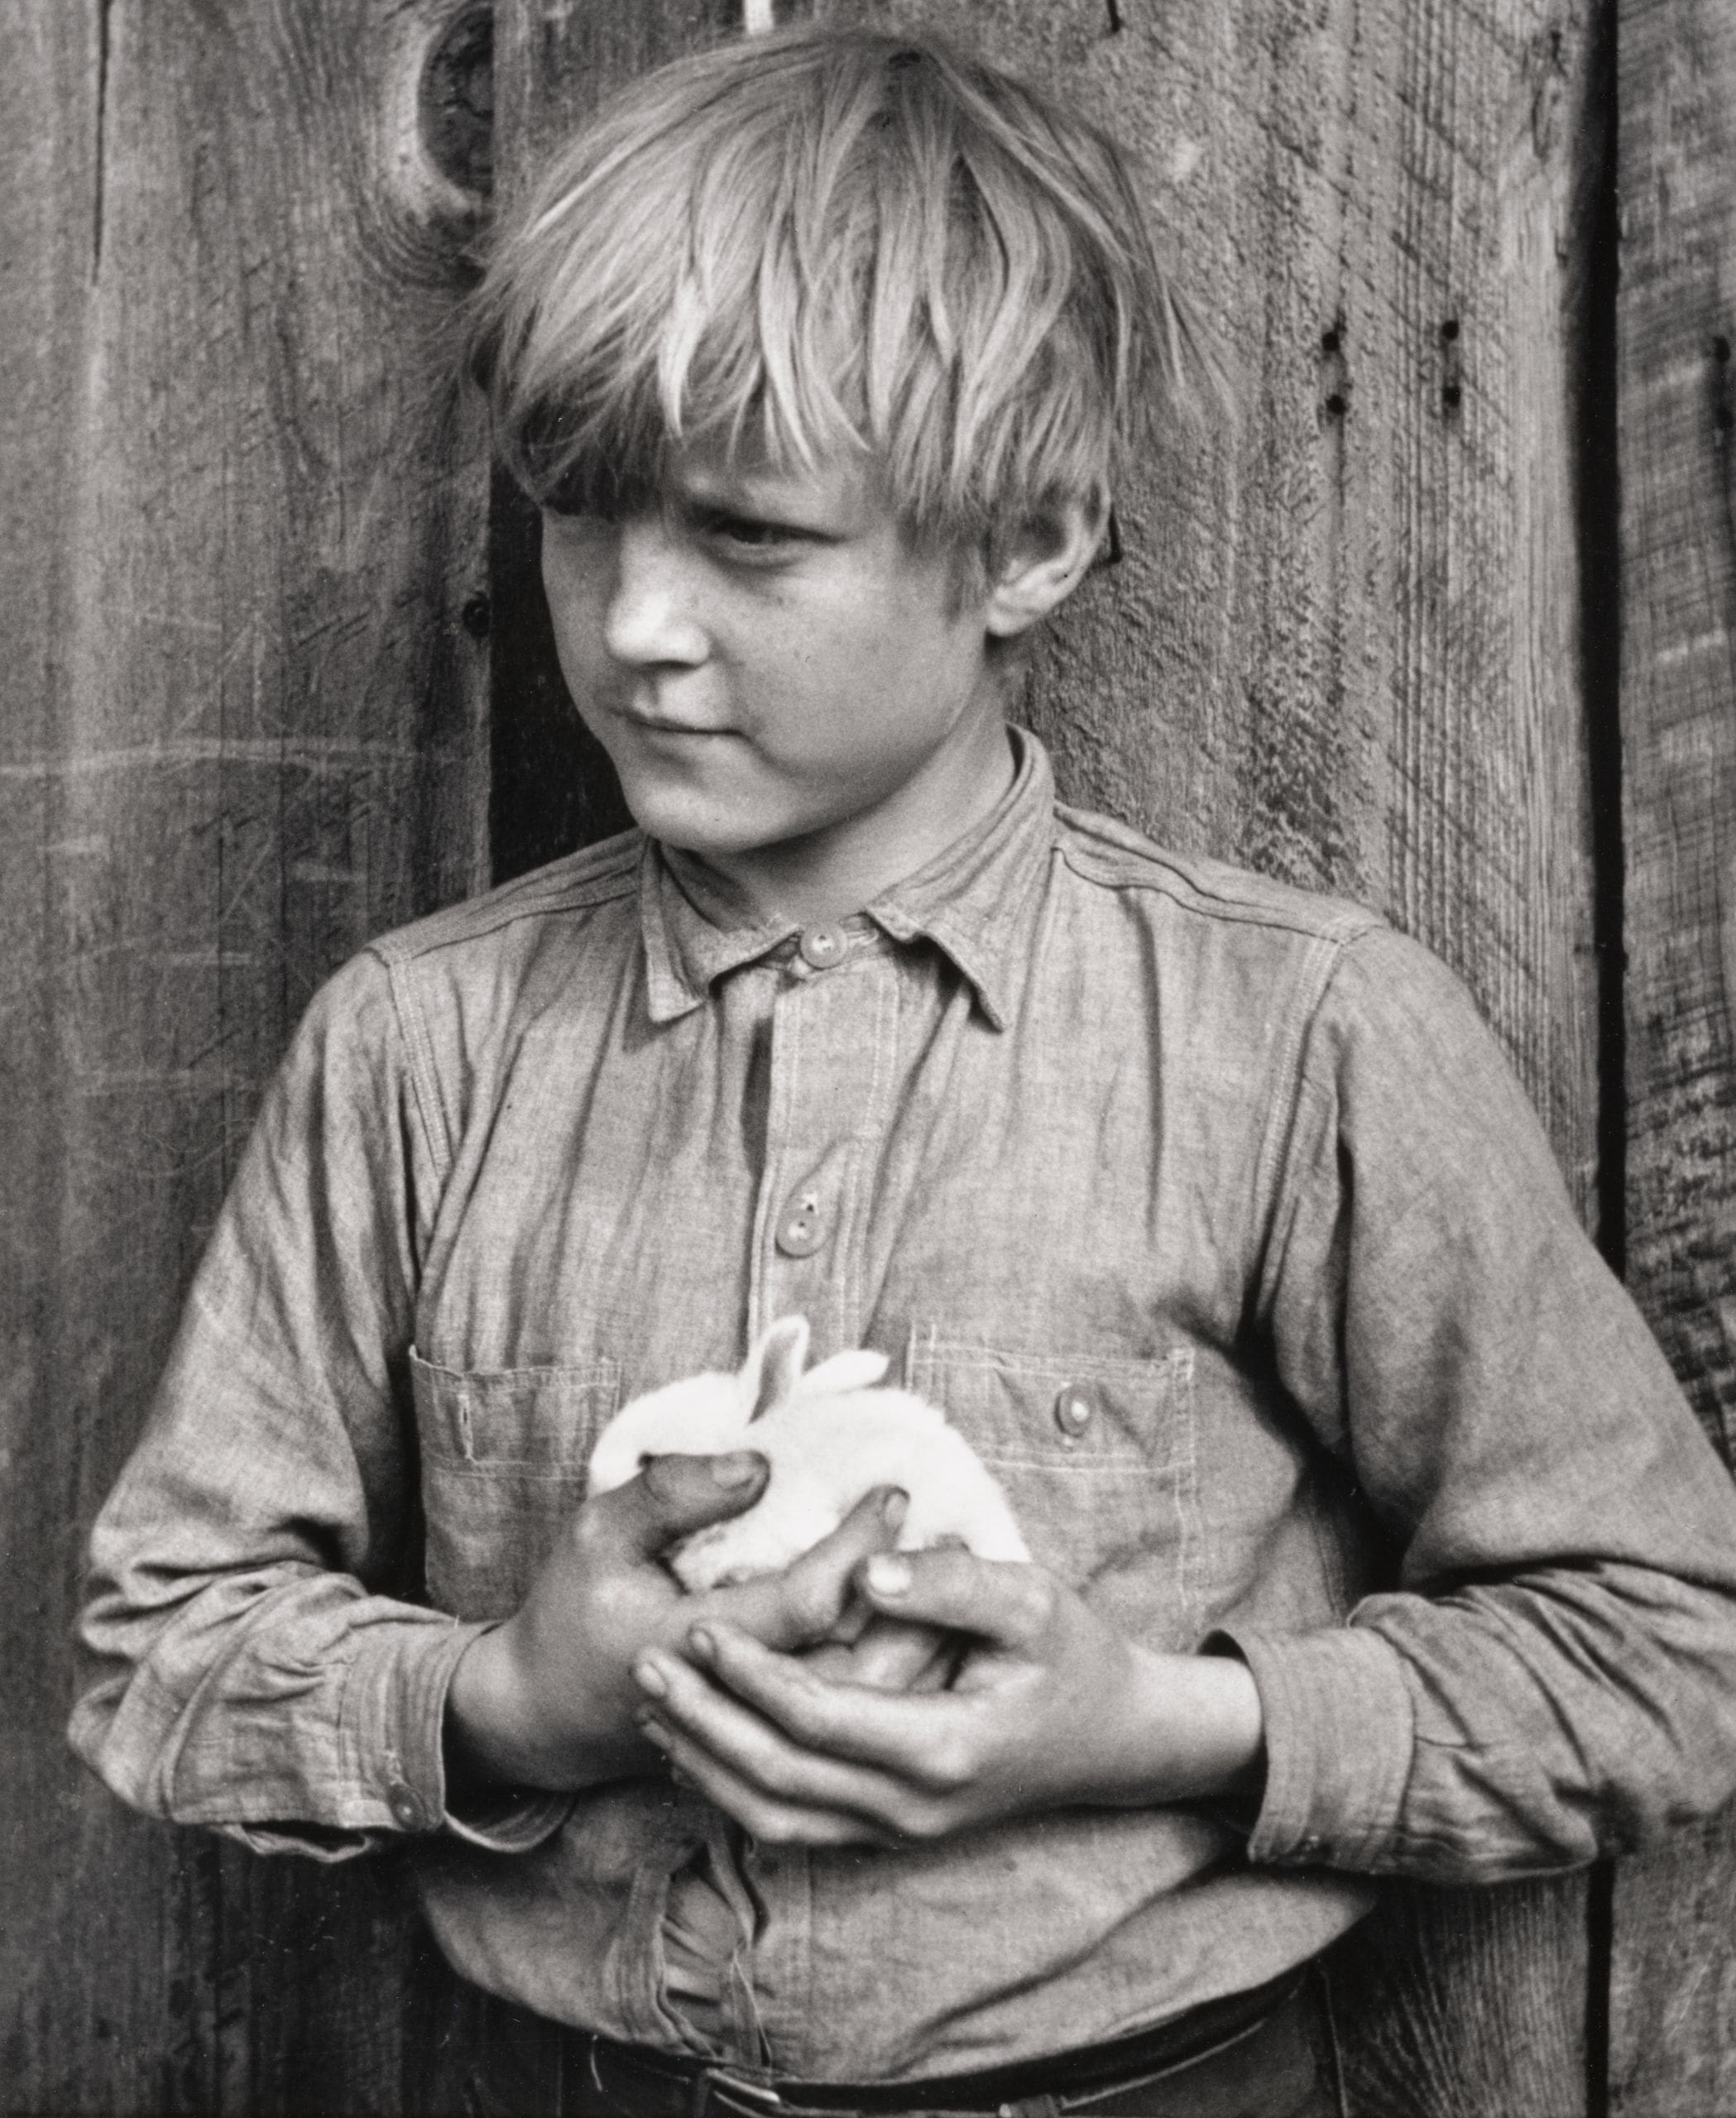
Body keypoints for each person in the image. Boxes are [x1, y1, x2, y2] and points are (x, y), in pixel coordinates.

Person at [69, 26, 1736, 2118]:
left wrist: (1155, 1725)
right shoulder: (419, 1045)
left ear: (1023, 542)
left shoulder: (1298, 1034)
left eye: (750, 536)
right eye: (580, 522)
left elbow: (1664, 1648)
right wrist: (507, 1696)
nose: (635, 623)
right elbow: (165, 1648)